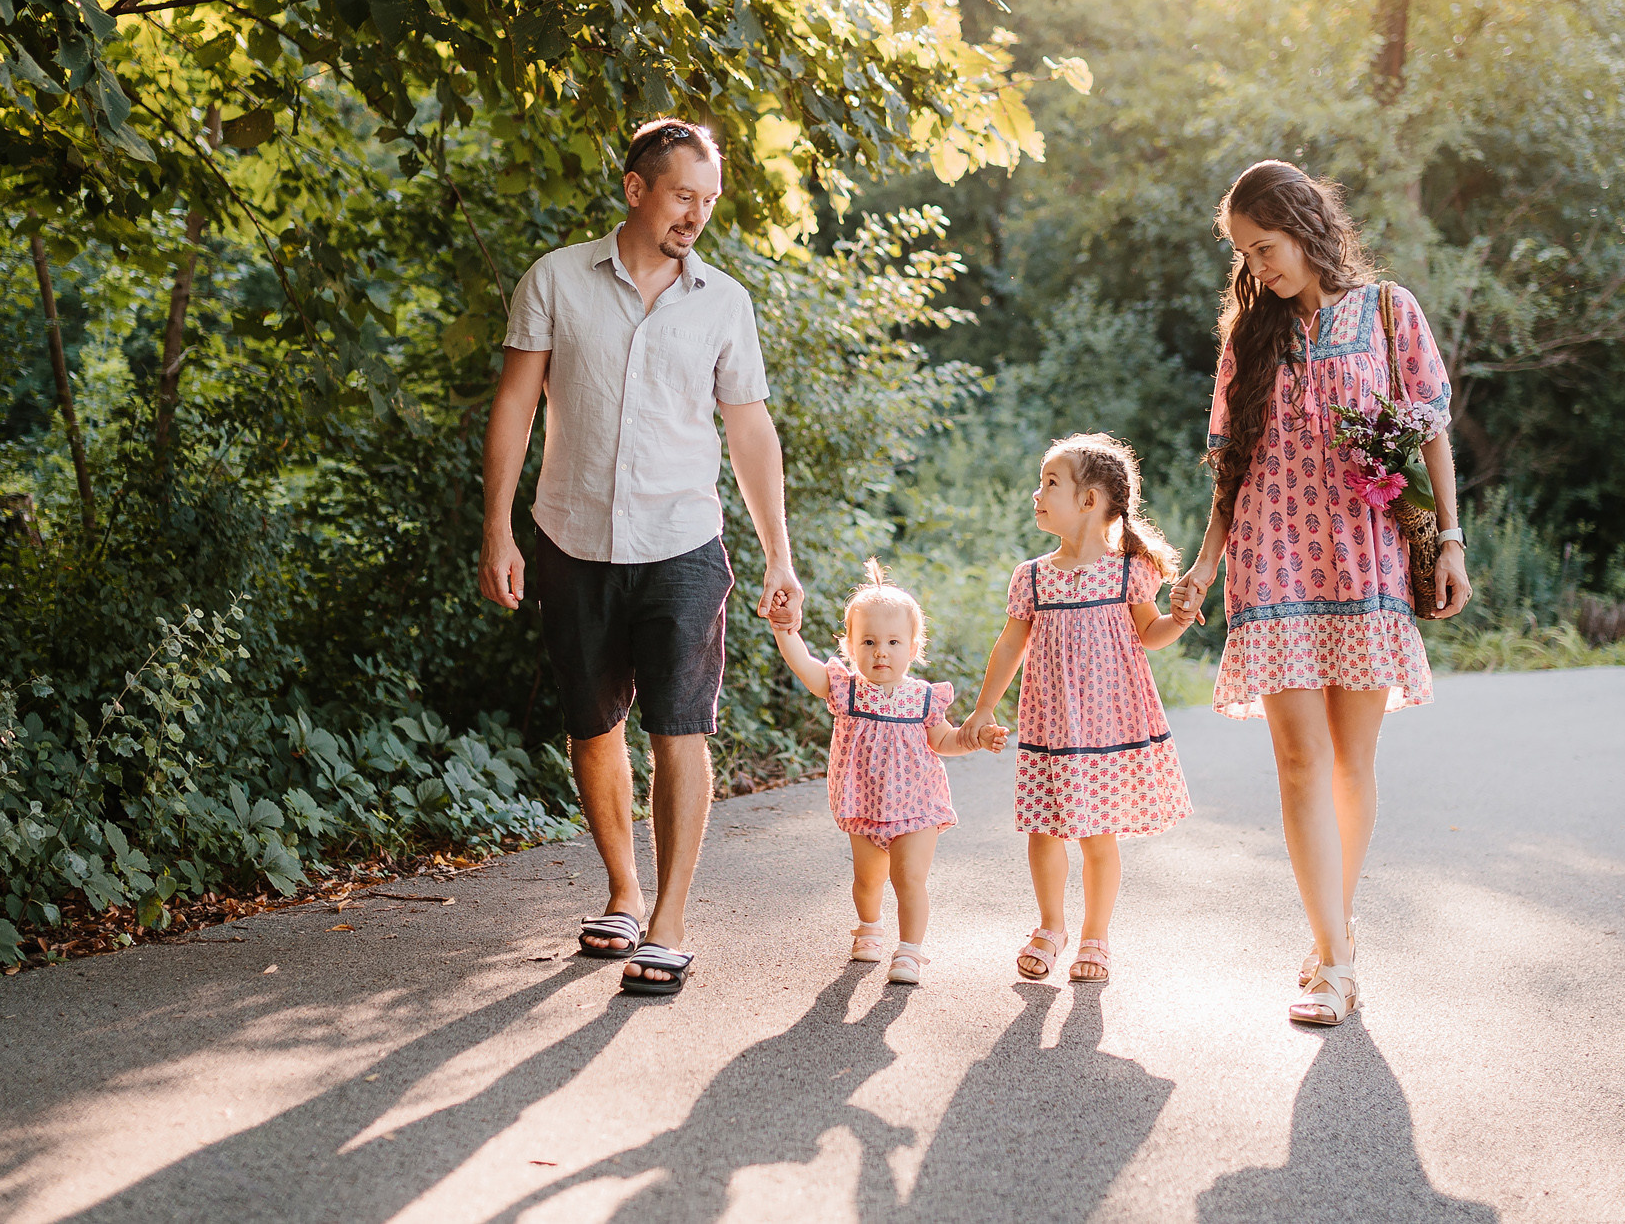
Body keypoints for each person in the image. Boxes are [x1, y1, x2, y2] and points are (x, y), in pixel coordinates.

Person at [478, 119, 804, 998]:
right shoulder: (555, 280)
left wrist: (780, 554)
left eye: (708, 199)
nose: (697, 214)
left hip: (683, 545)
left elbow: (750, 431)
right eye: (681, 195)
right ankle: (623, 891)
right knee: (593, 726)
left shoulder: (723, 302)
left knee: (681, 727)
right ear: (635, 189)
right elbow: (514, 404)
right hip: (571, 538)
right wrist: (497, 528)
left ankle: (668, 920)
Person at [1169, 161, 1473, 1027]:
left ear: (1306, 225)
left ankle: (1333, 927)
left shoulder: (1389, 311)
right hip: (1271, 563)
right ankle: (1333, 958)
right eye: (1244, 253)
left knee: (1351, 758)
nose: (1257, 266)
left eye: (1265, 247)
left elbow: (1434, 432)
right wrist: (1201, 565)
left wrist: (1449, 540)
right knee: (1298, 758)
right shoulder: (1248, 339)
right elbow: (1230, 465)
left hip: (1365, 560)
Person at [963, 434, 1197, 986]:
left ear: (1089, 500)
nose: (1036, 494)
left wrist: (1182, 618)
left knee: (1097, 834)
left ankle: (1096, 935)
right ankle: (1050, 926)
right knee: (1043, 829)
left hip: (1108, 727)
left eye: (1050, 484)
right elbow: (1009, 645)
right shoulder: (1034, 576)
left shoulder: (1127, 572)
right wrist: (983, 710)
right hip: (1049, 724)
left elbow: (1150, 633)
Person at [766, 560, 981, 986]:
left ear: (913, 647)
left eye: (893, 641)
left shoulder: (922, 698)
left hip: (916, 806)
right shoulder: (845, 689)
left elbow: (943, 741)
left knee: (909, 878)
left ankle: (910, 952)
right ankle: (868, 927)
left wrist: (972, 739)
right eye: (868, 641)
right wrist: (783, 630)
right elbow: (804, 665)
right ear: (849, 645)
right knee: (867, 880)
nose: (881, 651)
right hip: (863, 804)